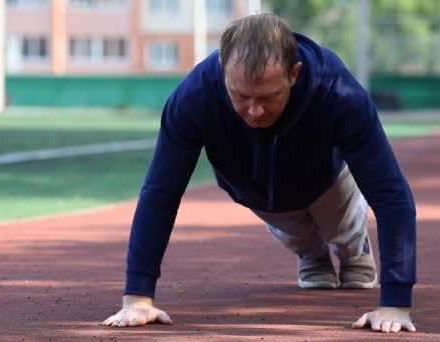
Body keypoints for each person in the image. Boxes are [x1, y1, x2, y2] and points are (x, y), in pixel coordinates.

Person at [101, 13, 417, 334]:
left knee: (338, 221)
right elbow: (161, 191)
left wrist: (395, 302)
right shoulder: (193, 97)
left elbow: (390, 192)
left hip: (327, 174)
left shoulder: (338, 90)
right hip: (254, 186)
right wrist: (138, 296)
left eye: (267, 97)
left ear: (294, 74)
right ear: (224, 72)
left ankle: (353, 246)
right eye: (241, 96)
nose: (254, 111)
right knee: (294, 231)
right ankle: (312, 253)